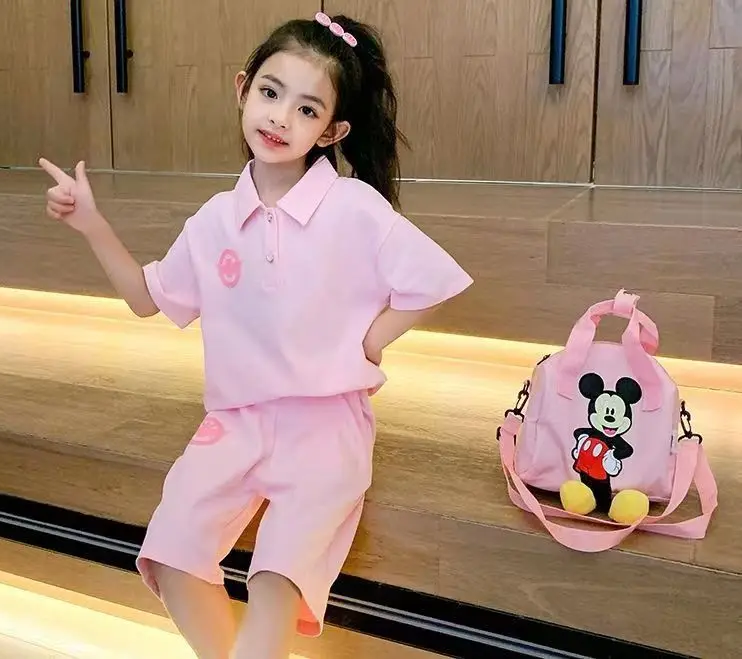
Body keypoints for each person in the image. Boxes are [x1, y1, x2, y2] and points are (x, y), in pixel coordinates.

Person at [40, 12, 473, 659]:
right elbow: (145, 298)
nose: (280, 117)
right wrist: (92, 225)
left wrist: (368, 343)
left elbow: (434, 281)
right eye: (270, 92)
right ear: (242, 88)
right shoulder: (215, 220)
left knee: (275, 578)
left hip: (325, 428)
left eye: (307, 109)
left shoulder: (353, 207)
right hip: (234, 424)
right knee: (172, 552)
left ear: (333, 130)